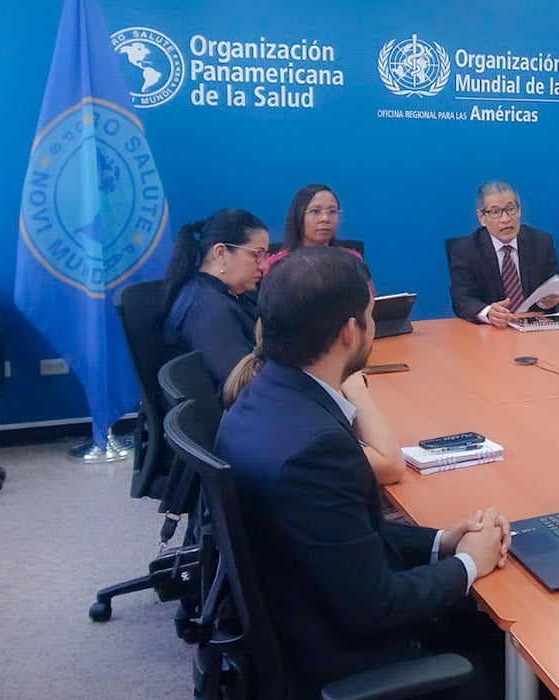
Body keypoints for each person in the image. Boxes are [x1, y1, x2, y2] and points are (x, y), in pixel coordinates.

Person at [216, 247, 511, 696]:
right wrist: (473, 562)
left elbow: (342, 533)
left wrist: (443, 541)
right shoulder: (317, 447)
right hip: (349, 659)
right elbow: (375, 606)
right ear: (350, 333)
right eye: (371, 317)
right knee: (517, 653)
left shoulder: (260, 400)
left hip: (303, 614)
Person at [221, 321, 407, 485]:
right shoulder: (314, 433)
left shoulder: (263, 390)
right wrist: (355, 386)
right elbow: (390, 465)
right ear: (348, 333)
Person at [162, 208, 268, 389]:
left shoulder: (241, 293)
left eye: (264, 255)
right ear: (221, 253)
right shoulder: (207, 308)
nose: (263, 265)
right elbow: (242, 385)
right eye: (255, 254)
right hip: (228, 413)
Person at [446, 180, 559, 326]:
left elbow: (556, 286)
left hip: (534, 331)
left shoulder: (541, 242)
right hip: (491, 334)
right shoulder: (465, 251)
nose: (506, 219)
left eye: (511, 209)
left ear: (519, 210)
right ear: (482, 217)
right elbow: (461, 300)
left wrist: (550, 300)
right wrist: (488, 312)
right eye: (495, 212)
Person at [265, 183, 362, 270]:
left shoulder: (352, 261)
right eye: (315, 211)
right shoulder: (277, 265)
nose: (325, 218)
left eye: (332, 211)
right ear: (298, 215)